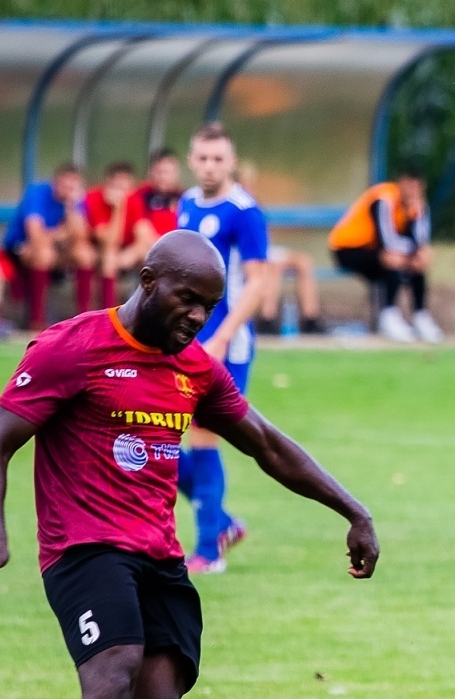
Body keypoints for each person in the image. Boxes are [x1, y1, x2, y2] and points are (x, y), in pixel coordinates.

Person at [0, 230, 379, 699]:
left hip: (159, 556)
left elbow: (267, 444)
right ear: (148, 279)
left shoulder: (192, 368)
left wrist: (352, 509)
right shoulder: (73, 346)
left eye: (210, 306)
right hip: (83, 549)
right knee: (114, 670)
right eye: (188, 299)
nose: (197, 316)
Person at [175, 123, 270, 573]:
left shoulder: (244, 212)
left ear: (231, 162)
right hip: (183, 341)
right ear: (191, 160)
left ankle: (208, 552)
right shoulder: (187, 203)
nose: (210, 166)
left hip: (224, 348)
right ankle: (222, 524)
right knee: (152, 433)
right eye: (203, 158)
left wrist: (222, 336)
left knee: (201, 436)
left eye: (219, 159)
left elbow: (257, 283)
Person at [327, 169, 441, 343]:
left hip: (376, 251)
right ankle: (388, 315)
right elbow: (386, 239)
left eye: (418, 189)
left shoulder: (415, 205)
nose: (414, 192)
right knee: (392, 260)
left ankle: (420, 315)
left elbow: (421, 240)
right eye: (410, 187)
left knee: (415, 265)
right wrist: (412, 253)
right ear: (401, 183)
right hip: (347, 248)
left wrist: (419, 252)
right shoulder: (384, 198)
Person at [0, 162, 90, 332]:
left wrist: (72, 209)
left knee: (85, 254)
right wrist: (63, 233)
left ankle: (85, 320)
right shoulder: (37, 193)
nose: (68, 191)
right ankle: (36, 322)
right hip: (18, 253)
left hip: (55, 252)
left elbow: (82, 238)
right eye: (64, 185)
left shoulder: (75, 201)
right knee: (44, 254)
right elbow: (36, 237)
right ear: (55, 182)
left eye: (72, 187)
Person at [236, 161, 325, 337]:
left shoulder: (254, 202)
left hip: (266, 248)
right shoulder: (236, 205)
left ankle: (310, 318)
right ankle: (268, 318)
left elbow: (265, 233)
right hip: (247, 254)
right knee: (272, 265)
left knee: (304, 261)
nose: (249, 185)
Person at [77, 161, 139, 313]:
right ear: (108, 182)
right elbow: (108, 241)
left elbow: (142, 233)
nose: (121, 189)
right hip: (95, 248)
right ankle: (89, 314)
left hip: (119, 251)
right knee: (105, 257)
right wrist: (119, 208)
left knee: (117, 257)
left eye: (125, 183)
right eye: (117, 183)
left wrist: (132, 254)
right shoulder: (94, 198)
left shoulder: (135, 200)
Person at [119, 149, 184, 277]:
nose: (163, 177)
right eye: (159, 172)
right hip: (149, 249)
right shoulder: (141, 195)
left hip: (176, 251)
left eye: (167, 172)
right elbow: (141, 230)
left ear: (176, 173)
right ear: (151, 172)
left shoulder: (185, 198)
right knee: (141, 250)